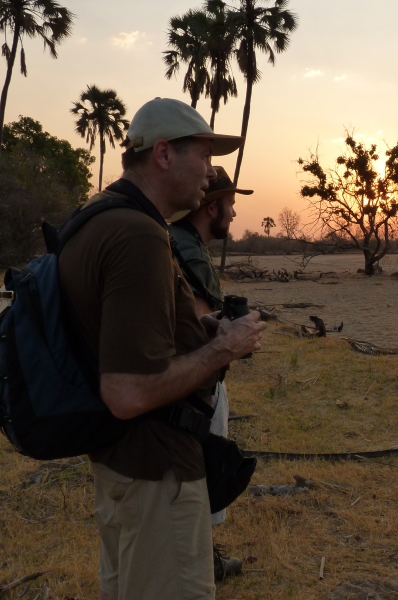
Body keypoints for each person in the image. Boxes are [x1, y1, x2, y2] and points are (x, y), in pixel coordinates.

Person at [58, 97, 267, 600]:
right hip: (158, 475)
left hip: (121, 463)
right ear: (165, 153)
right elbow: (128, 391)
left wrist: (199, 330)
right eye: (205, 155)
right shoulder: (139, 236)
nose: (211, 172)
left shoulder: (98, 217)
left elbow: (122, 339)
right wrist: (224, 348)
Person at [168, 166, 253, 581]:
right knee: (198, 477)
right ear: (212, 207)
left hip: (181, 383)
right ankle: (202, 563)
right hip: (192, 386)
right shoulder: (187, 250)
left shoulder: (175, 241)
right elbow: (195, 324)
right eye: (230, 204)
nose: (234, 214)